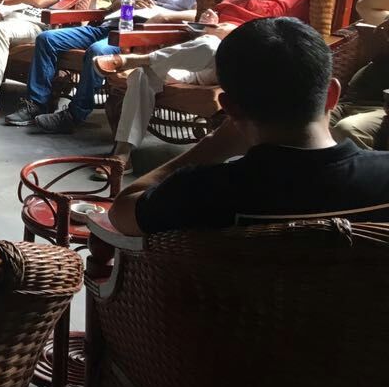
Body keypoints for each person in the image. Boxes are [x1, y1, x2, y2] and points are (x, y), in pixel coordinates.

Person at [108, 18, 389, 236]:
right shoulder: (382, 176)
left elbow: (121, 212)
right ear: (332, 95)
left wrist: (210, 149)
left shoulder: (201, 190)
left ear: (229, 107)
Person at [99, 0, 309, 171]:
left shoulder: (295, 0)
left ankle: (138, 59)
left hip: (243, 66)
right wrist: (210, 21)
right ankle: (122, 155)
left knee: (210, 45)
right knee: (142, 75)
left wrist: (236, 33)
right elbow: (211, 26)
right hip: (201, 60)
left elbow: (286, 46)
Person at [15, 0, 200, 131]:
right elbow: (116, 4)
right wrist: (129, 2)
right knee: (46, 39)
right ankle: (37, 103)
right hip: (111, 24)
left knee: (98, 51)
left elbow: (197, 14)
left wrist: (164, 16)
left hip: (139, 34)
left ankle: (74, 115)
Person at [330, 0, 389, 149]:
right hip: (351, 100)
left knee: (348, 129)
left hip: (381, 109)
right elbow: (365, 6)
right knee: (301, 121)